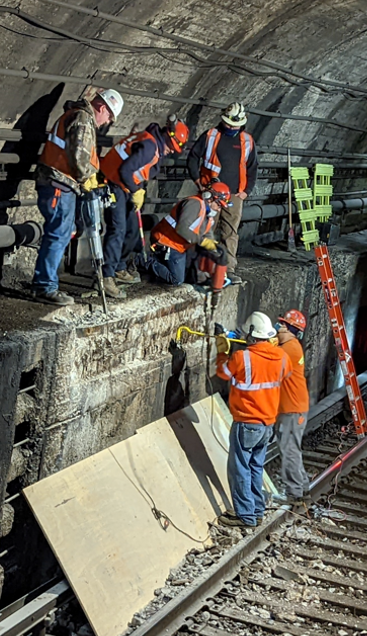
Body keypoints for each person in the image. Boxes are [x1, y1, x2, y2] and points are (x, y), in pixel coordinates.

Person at [31, 89, 124, 306]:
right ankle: (45, 287)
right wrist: (87, 179)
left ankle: (45, 283)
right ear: (102, 107)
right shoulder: (82, 119)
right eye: (109, 117)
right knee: (58, 234)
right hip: (59, 182)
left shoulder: (77, 115)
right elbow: (79, 157)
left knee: (62, 232)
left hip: (60, 183)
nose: (107, 122)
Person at [98, 117, 190, 298]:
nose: (172, 150)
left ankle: (120, 267)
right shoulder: (150, 146)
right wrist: (136, 190)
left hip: (125, 186)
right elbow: (126, 170)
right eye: (172, 146)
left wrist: (136, 189)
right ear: (167, 136)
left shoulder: (154, 142)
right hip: (114, 184)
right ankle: (105, 276)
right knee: (117, 230)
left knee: (132, 230)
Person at [215, 311, 292, 527]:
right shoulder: (282, 357)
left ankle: (245, 516)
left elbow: (223, 373)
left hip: (247, 423)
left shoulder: (242, 357)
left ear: (250, 334)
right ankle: (257, 511)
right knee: (256, 467)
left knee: (239, 468)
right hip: (267, 425)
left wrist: (222, 351)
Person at [186, 103, 258, 279]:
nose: (231, 128)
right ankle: (201, 268)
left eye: (235, 125)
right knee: (205, 230)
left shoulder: (247, 141)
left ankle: (228, 269)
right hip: (211, 195)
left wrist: (246, 192)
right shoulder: (211, 136)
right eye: (229, 124)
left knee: (230, 233)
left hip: (234, 195)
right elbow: (193, 158)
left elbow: (252, 167)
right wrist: (199, 183)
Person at [141, 183, 230, 286]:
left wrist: (217, 259)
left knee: (192, 275)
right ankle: (143, 260)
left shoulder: (207, 213)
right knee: (177, 280)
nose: (219, 209)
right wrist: (202, 241)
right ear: (209, 198)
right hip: (167, 242)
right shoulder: (194, 204)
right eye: (219, 205)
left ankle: (159, 261)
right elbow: (182, 229)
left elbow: (207, 235)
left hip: (181, 246)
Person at [275, 309, 311, 504]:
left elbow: (266, 359)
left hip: (292, 408)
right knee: (292, 448)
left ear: (290, 329)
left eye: (282, 325)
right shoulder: (290, 345)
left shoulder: (289, 348)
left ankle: (294, 492)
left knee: (288, 448)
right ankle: (302, 485)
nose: (278, 328)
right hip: (294, 407)